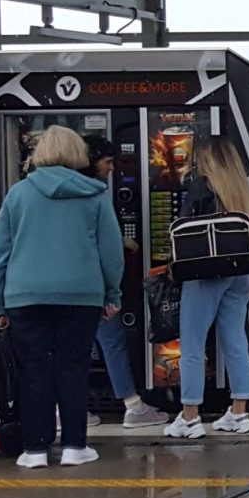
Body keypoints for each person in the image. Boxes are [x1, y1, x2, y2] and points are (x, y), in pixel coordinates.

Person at [0, 125, 123, 468]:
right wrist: (112, 293)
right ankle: (75, 446)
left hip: (25, 296)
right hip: (81, 296)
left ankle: (35, 449)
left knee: (34, 371)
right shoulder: (95, 196)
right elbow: (110, 252)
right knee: (72, 369)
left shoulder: (18, 195)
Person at [164, 138, 249, 439]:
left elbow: (182, 225)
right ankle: (239, 412)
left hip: (206, 273)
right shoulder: (241, 189)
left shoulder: (202, 186)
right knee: (236, 341)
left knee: (193, 346)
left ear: (207, 160)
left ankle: (189, 417)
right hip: (240, 273)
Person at [82, 135, 168, 428]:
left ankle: (65, 408)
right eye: (107, 163)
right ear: (92, 161)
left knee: (69, 349)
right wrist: (113, 293)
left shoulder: (34, 193)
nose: (111, 170)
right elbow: (104, 248)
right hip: (93, 285)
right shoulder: (94, 195)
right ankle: (133, 405)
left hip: (59, 289)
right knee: (112, 342)